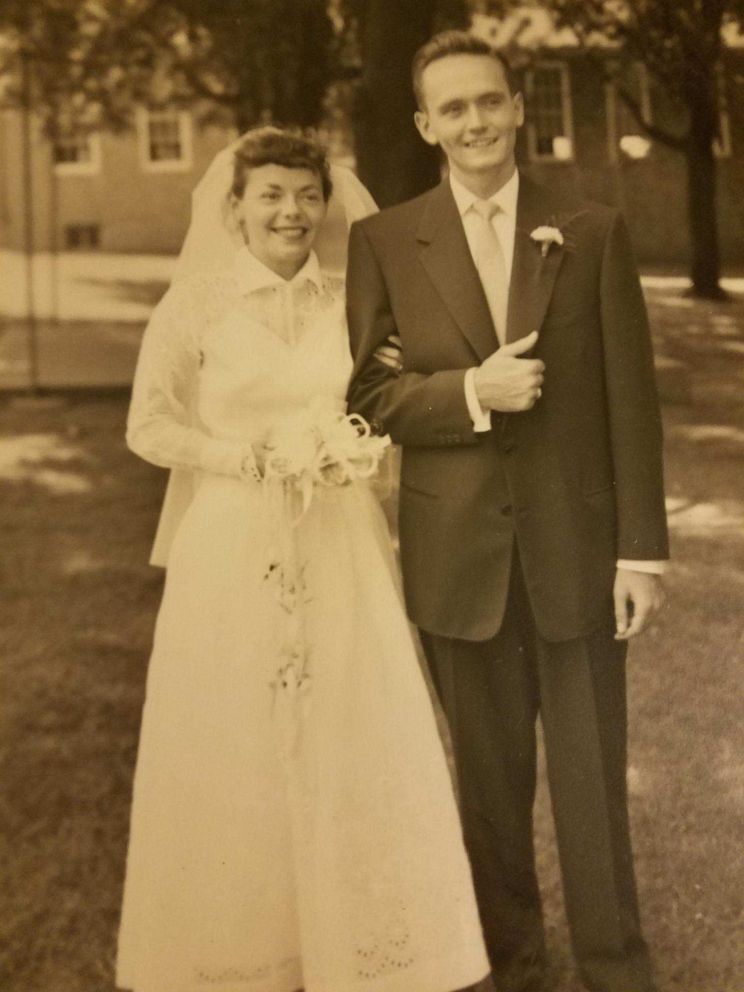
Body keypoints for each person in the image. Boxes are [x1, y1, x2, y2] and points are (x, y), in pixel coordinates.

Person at [116, 127, 490, 992]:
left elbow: (383, 408)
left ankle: (372, 946)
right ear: (235, 207)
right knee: (233, 735)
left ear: (327, 205)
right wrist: (244, 459)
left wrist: (353, 452)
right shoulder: (195, 305)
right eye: (272, 195)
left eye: (306, 195)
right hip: (231, 542)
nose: (291, 212)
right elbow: (149, 425)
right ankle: (237, 951)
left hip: (339, 539)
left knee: (351, 725)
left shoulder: (352, 301)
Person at [346, 31, 669, 992]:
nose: (475, 122)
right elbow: (367, 395)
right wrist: (471, 392)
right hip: (458, 564)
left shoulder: (592, 227)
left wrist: (641, 554)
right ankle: (516, 968)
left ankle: (616, 969)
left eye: (490, 101)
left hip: (576, 552)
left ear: (518, 108)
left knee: (590, 786)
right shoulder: (387, 240)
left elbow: (631, 400)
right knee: (489, 796)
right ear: (424, 125)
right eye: (453, 109)